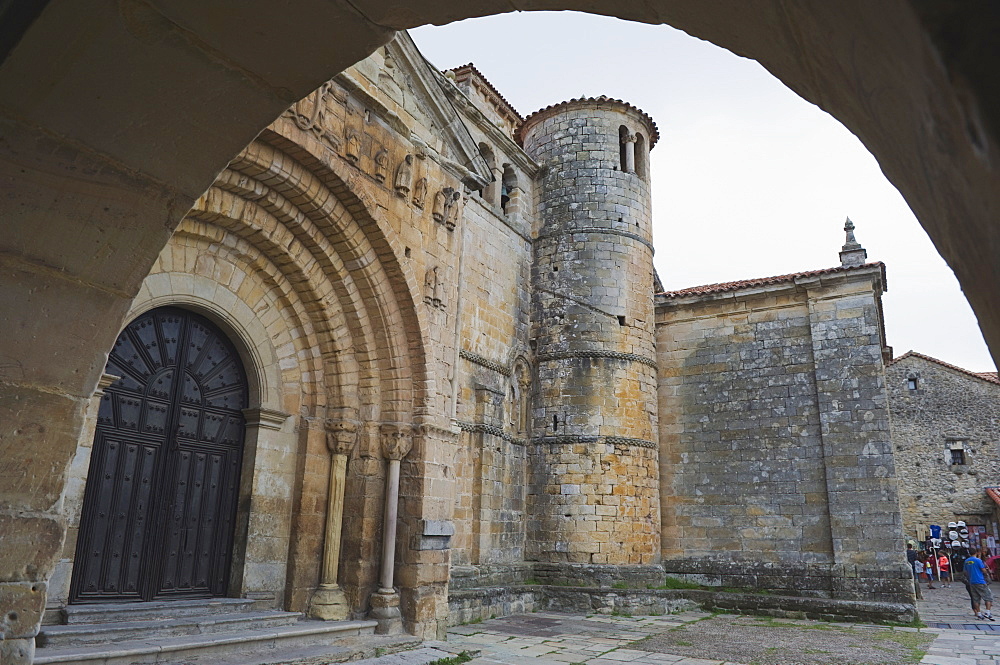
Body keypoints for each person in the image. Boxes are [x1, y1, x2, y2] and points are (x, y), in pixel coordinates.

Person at [964, 547, 994, 620]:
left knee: (976, 599)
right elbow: (983, 570)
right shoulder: (978, 560)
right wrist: (987, 573)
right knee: (988, 597)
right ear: (976, 553)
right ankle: (987, 612)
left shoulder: (966, 561)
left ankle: (979, 614)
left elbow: (965, 572)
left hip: (972, 582)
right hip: (980, 581)